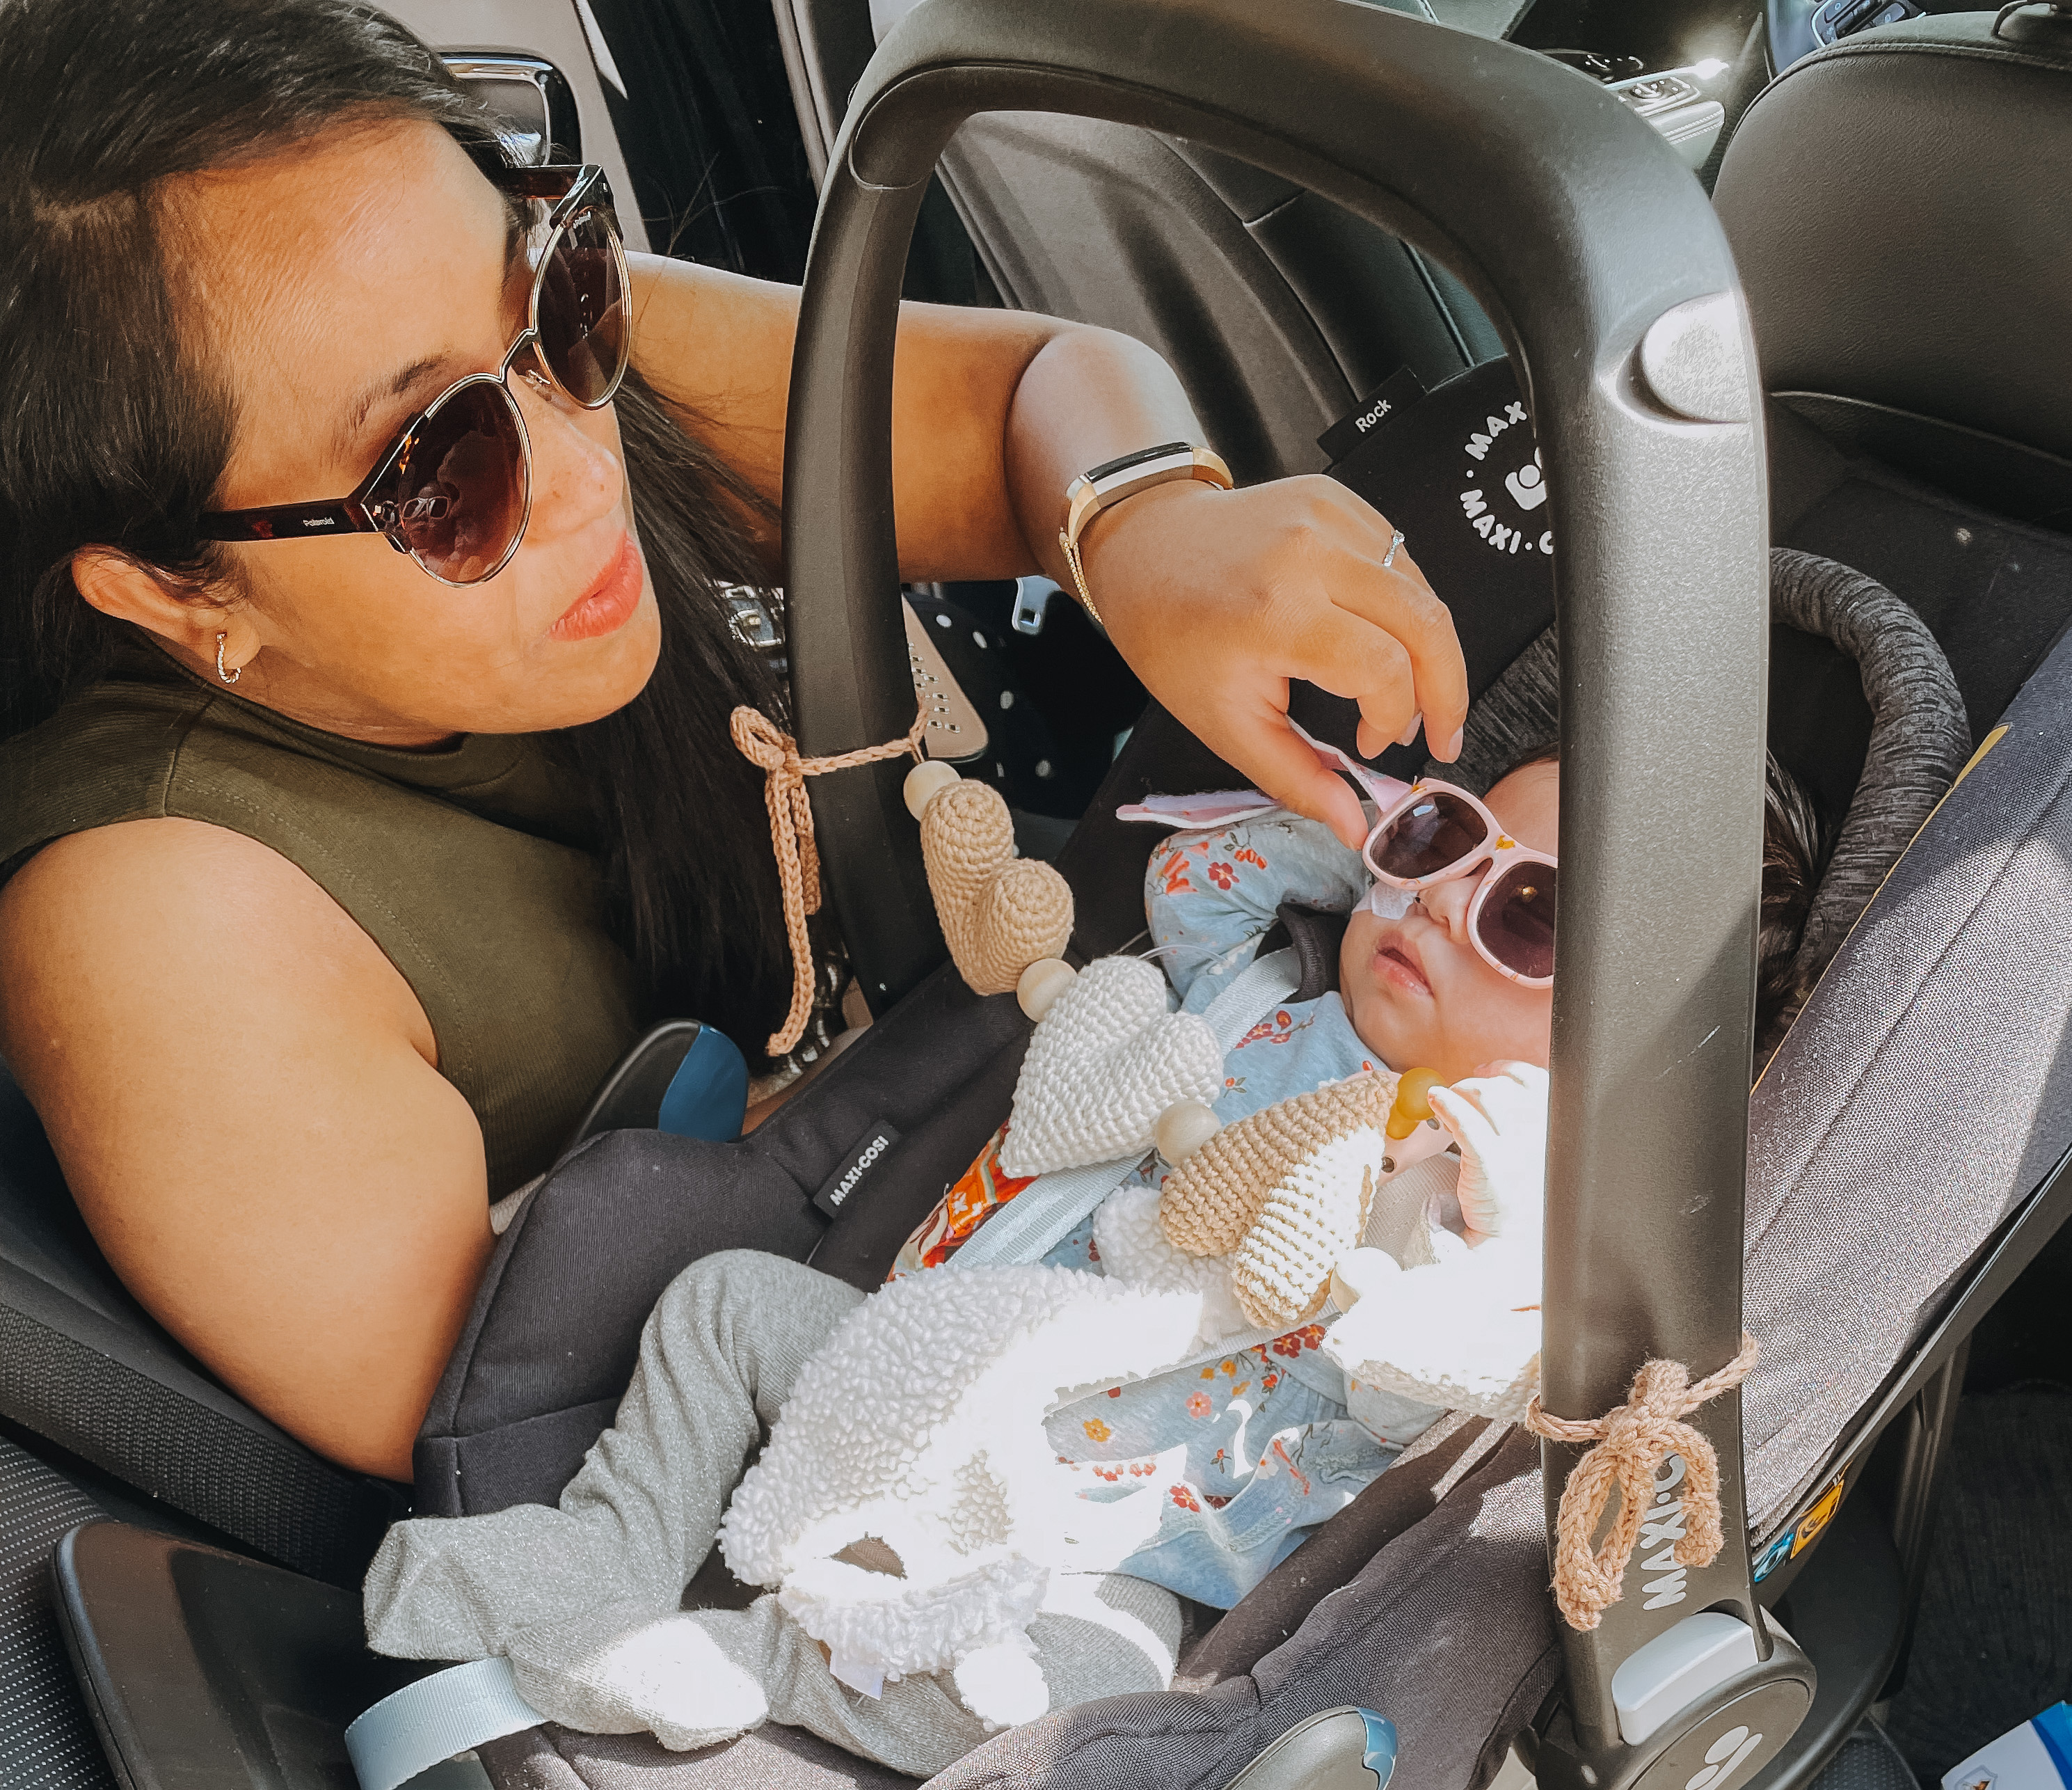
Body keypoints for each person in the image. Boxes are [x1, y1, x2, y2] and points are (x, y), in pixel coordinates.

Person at [0, 0, 1469, 1484]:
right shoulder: (160, 931)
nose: (590, 473)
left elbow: (1020, 395)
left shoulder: (497, 349)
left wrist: (1147, 526)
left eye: (566, 292)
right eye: (444, 472)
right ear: (172, 591)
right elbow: (547, 1444)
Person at [361, 755, 1561, 1777]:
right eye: (1446, 838)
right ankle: (614, 1545)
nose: (1447, 904)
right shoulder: (1256, 994)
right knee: (720, 1303)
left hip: (1102, 1535)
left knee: (1075, 1698)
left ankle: (758, 1661)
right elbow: (1193, 885)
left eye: (1529, 913)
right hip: (917, 1368)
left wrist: (1493, 1224)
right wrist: (1359, 844)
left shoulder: (1470, 1209)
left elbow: (1404, 1399)